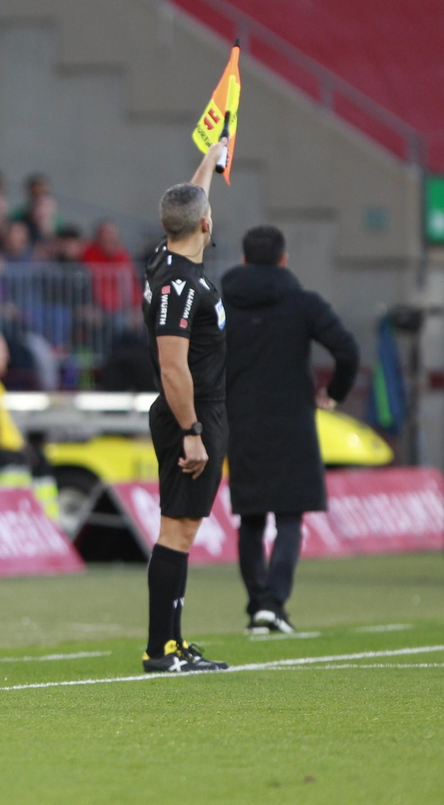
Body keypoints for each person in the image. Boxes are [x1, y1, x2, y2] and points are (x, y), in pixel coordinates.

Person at [223, 225, 358, 635]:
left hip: (241, 420)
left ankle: (255, 607)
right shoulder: (303, 303)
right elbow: (347, 351)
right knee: (289, 517)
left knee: (250, 519)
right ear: (284, 259)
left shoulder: (222, 301)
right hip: (292, 421)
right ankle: (274, 605)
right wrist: (333, 393)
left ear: (244, 260)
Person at [140, 140, 231, 674]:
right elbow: (173, 366)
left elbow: (193, 200)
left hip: (195, 411)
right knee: (176, 531)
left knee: (183, 529)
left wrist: (211, 158)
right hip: (190, 412)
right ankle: (162, 649)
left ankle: (172, 644)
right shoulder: (180, 284)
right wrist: (192, 429)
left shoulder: (165, 257)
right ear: (204, 225)